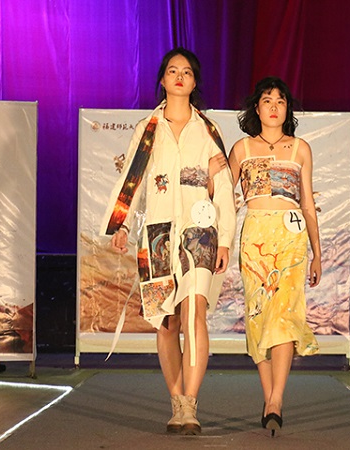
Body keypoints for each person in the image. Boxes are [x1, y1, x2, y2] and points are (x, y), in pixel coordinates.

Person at [101, 47, 236, 435]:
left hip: (200, 233)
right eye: (173, 70)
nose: (180, 76)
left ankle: (190, 404)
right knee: (166, 321)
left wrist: (224, 239)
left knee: (194, 313)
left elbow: (223, 186)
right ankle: (176, 401)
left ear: (194, 82)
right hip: (157, 235)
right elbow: (132, 178)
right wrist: (121, 225)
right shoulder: (148, 128)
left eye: (187, 72)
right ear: (162, 79)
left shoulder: (208, 130)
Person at [216, 76, 322, 436]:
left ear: (287, 108)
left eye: (280, 101)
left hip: (291, 240)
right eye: (267, 100)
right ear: (256, 108)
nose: (274, 107)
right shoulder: (242, 148)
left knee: (285, 318)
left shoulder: (300, 148)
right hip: (255, 239)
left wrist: (317, 253)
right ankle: (269, 398)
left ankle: (276, 400)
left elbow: (307, 205)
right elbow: (223, 197)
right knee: (259, 318)